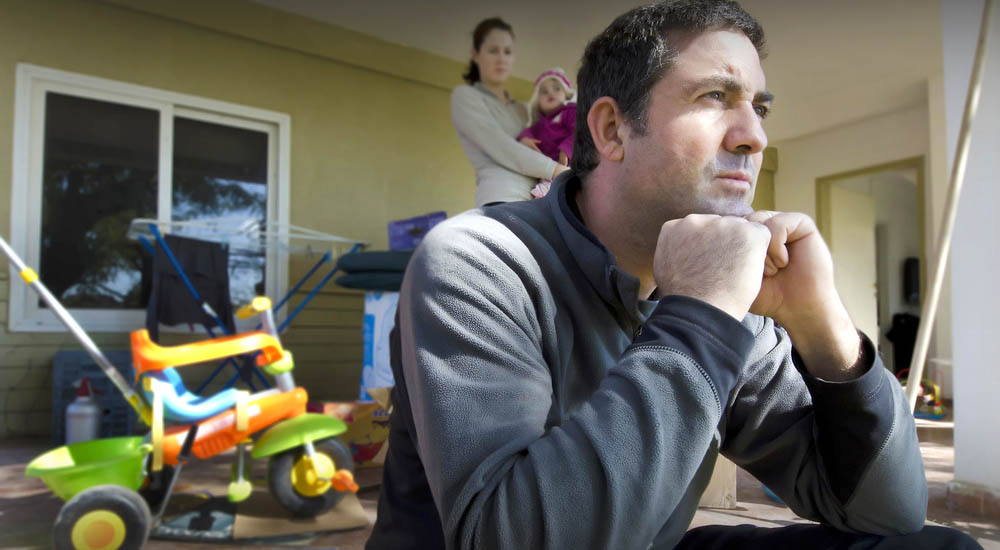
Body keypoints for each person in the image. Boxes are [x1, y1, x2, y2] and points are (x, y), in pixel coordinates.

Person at [368, 1, 982, 549]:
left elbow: (892, 509)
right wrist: (702, 314)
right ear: (612, 130)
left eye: (759, 107)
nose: (755, 136)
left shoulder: (731, 293)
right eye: (715, 97)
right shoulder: (478, 261)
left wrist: (827, 333)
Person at [450, 17, 569, 207]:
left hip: (539, 202)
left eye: (507, 52)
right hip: (502, 200)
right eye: (493, 50)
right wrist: (557, 171)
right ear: (475, 54)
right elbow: (502, 146)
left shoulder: (523, 109)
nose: (501, 59)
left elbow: (561, 124)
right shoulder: (465, 96)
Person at [517, 68, 578, 198]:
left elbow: (579, 130)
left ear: (566, 94)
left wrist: (566, 149)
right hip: (550, 169)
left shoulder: (569, 112)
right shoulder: (539, 125)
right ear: (537, 102)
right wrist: (525, 139)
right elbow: (527, 133)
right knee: (542, 192)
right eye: (544, 92)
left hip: (572, 161)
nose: (551, 93)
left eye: (557, 89)